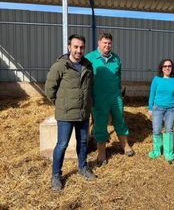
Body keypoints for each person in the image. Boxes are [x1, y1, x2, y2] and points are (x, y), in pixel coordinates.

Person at [45, 34, 95, 191]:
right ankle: (56, 175)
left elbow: (90, 87)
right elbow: (49, 89)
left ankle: (82, 167)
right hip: (65, 114)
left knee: (83, 142)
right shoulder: (60, 66)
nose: (78, 50)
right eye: (75, 47)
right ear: (69, 47)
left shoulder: (88, 66)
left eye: (81, 47)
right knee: (62, 144)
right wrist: (61, 104)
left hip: (83, 113)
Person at [85, 32, 134, 166]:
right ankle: (102, 152)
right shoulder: (89, 58)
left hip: (115, 96)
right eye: (104, 42)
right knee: (100, 123)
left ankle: (125, 145)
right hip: (99, 97)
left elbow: (119, 76)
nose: (107, 45)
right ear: (99, 43)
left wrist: (119, 93)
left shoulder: (116, 58)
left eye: (109, 43)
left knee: (120, 119)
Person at [148, 59, 174, 163]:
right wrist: (150, 108)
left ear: (172, 68)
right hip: (157, 108)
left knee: (169, 130)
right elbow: (152, 94)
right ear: (161, 68)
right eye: (165, 66)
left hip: (171, 109)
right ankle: (157, 150)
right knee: (157, 129)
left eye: (169, 66)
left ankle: (168, 152)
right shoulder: (156, 79)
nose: (167, 68)